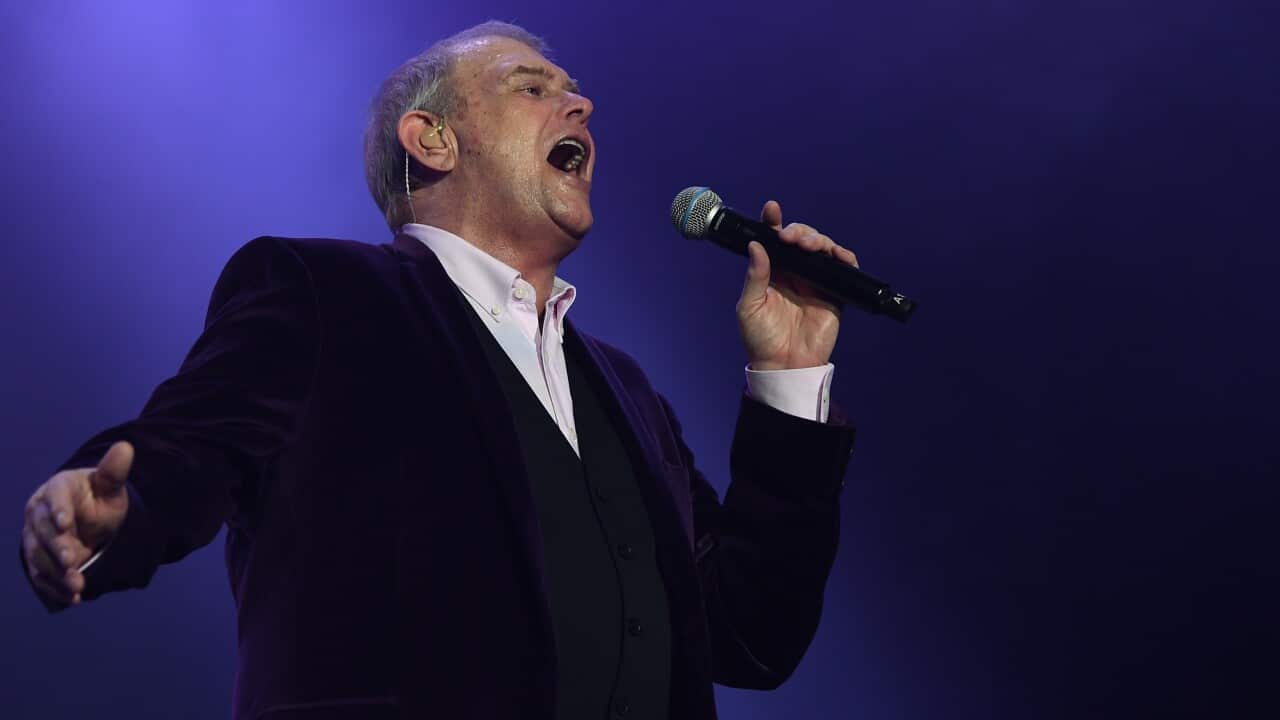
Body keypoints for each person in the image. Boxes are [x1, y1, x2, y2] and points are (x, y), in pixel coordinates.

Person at [18, 21, 859, 720]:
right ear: (433, 139)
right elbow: (194, 443)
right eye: (532, 86)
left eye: (570, 91)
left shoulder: (629, 392)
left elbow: (748, 637)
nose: (582, 103)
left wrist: (788, 378)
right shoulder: (324, 293)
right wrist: (115, 509)